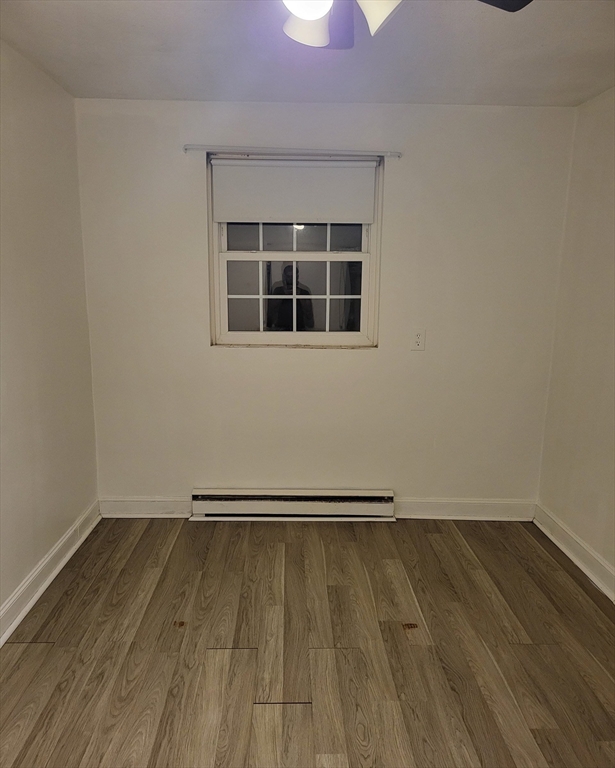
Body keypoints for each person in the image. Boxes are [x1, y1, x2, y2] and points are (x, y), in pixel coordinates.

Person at [266, 263, 314, 331]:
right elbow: (271, 314)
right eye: (288, 276)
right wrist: (283, 295)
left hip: (300, 330)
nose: (290, 279)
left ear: (297, 276)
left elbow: (310, 319)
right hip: (280, 330)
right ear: (284, 277)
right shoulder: (278, 291)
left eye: (293, 276)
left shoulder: (304, 292)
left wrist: (299, 296)